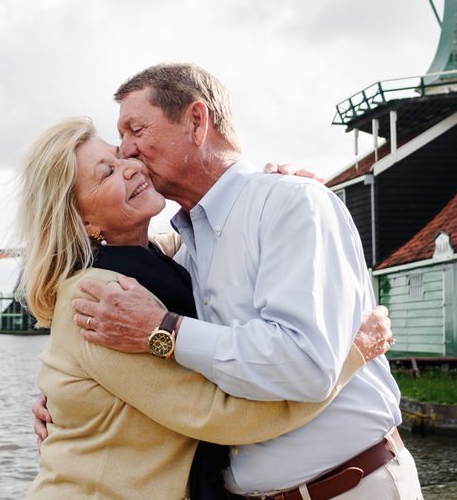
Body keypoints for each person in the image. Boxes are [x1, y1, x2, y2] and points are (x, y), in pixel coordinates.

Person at [41, 64, 422, 500]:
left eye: (136, 130)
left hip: (348, 488)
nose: (127, 151)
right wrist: (62, 406)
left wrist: (163, 331)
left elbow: (307, 366)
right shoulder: (182, 249)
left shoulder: (291, 204)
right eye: (117, 145)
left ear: (197, 122)